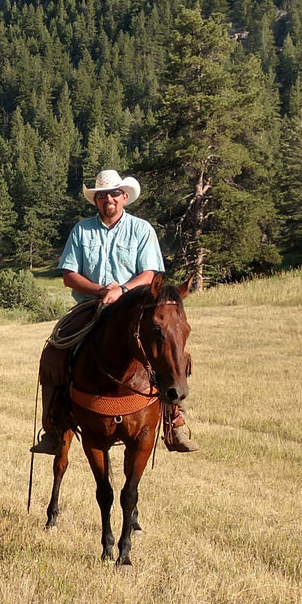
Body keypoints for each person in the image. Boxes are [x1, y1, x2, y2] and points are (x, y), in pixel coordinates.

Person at [29, 169, 198, 455]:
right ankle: (54, 425)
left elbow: (150, 273)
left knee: (167, 347)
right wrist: (100, 291)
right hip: (90, 304)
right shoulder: (81, 230)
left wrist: (121, 289)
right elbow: (69, 275)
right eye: (102, 195)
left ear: (124, 197)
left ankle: (173, 421)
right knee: (55, 350)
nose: (108, 199)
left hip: (134, 306)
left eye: (114, 194)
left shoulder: (142, 229)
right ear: (96, 201)